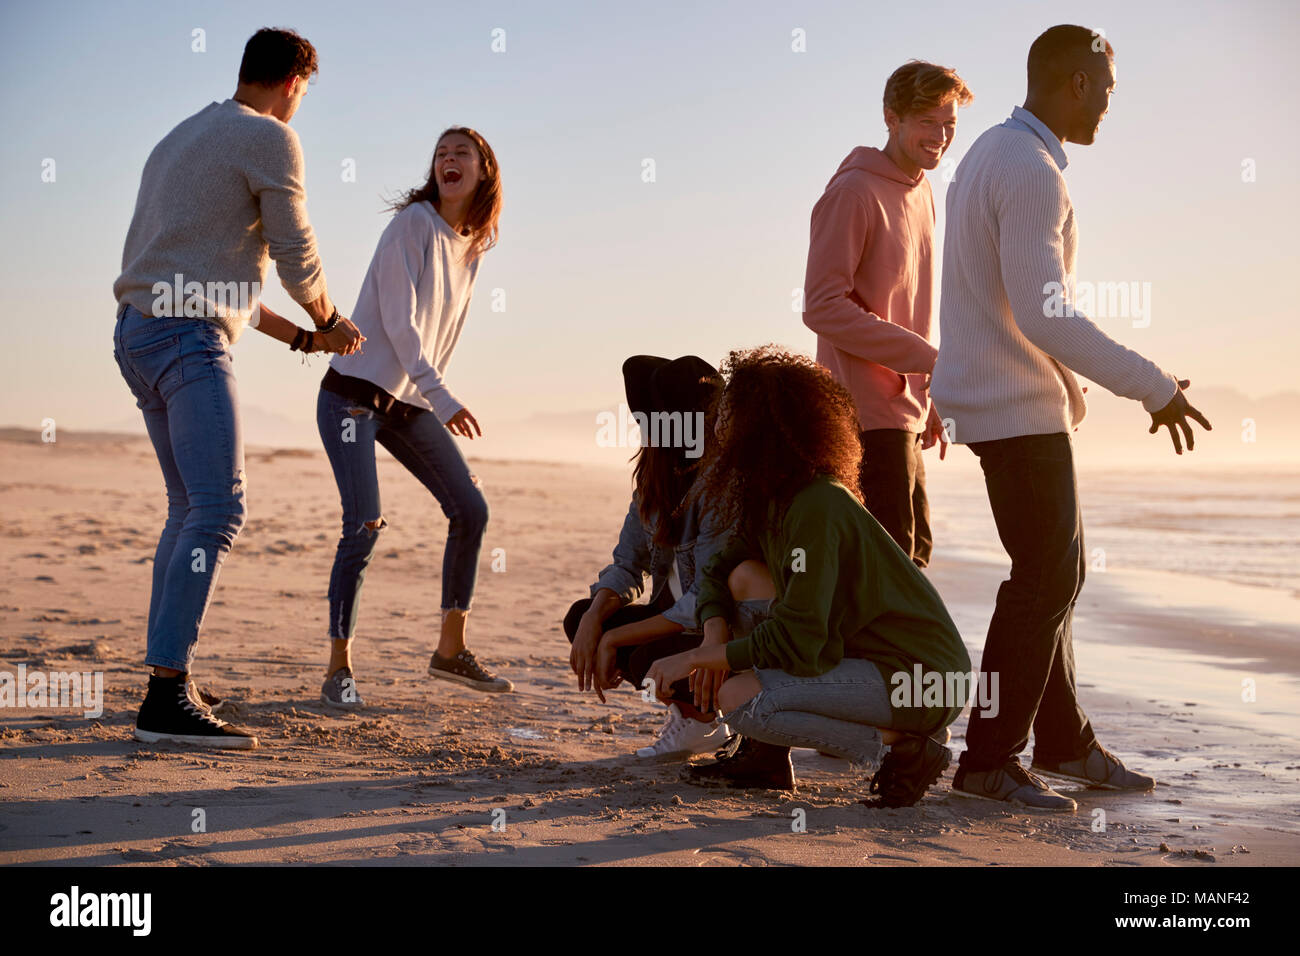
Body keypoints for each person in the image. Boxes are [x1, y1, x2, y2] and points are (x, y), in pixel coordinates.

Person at [931, 25, 1212, 810]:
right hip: (1012, 407)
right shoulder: (1028, 170)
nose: (1111, 109)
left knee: (1053, 576)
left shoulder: (993, 153)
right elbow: (1046, 314)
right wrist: (1151, 385)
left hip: (997, 402)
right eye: (1109, 92)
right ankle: (988, 761)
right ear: (1075, 84)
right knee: (1046, 578)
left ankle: (1062, 743)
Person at [113, 27, 363, 749]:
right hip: (186, 339)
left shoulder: (183, 136)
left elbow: (228, 285)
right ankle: (165, 696)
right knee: (219, 509)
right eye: (305, 94)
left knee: (187, 507)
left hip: (138, 332)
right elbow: (294, 254)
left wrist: (304, 340)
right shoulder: (270, 138)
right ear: (294, 82)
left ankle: (169, 672)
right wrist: (331, 317)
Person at [646, 346, 972, 807]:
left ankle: (904, 747)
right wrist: (712, 633)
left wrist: (707, 659)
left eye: (730, 414)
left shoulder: (818, 504)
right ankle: (769, 760)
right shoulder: (774, 495)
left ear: (762, 426)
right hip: (870, 664)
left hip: (919, 675)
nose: (719, 426)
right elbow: (720, 568)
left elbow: (800, 639)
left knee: (738, 698)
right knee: (745, 576)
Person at [316, 127, 507, 705]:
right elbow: (400, 324)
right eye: (441, 154)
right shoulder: (412, 225)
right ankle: (338, 669)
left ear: (483, 171)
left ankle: (450, 652)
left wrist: (429, 396)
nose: (449, 160)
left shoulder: (470, 245)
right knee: (364, 523)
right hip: (351, 393)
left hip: (407, 402)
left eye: (461, 154)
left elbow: (441, 333)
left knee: (470, 509)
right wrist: (444, 397)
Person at [803, 61, 973, 567]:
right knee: (888, 571)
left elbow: (907, 306)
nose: (940, 137)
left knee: (913, 558)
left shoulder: (921, 190)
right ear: (890, 117)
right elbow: (822, 306)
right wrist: (927, 358)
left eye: (950, 125)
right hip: (861, 413)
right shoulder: (853, 191)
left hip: (905, 408)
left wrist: (928, 392)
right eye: (927, 121)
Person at [564, 355, 738, 759]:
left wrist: (615, 637)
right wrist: (594, 621)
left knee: (643, 653)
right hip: (678, 619)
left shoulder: (721, 486)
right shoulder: (655, 482)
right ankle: (693, 715)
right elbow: (627, 564)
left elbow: (705, 601)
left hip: (724, 628)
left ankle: (704, 721)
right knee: (580, 614)